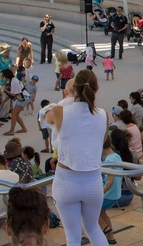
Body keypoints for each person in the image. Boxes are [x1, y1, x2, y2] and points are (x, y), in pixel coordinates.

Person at [46, 69, 109, 246]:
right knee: (93, 228)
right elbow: (100, 141)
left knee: (72, 237)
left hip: (66, 181)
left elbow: (45, 117)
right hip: (92, 180)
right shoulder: (103, 114)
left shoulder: (60, 111)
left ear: (73, 89)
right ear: (95, 89)